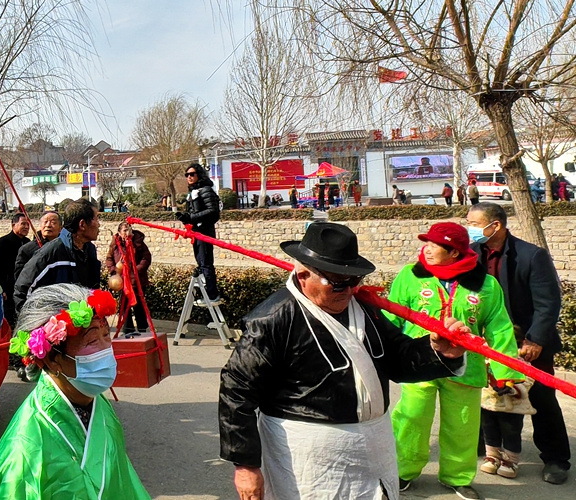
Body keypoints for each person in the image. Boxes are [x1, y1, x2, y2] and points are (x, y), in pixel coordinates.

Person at [218, 222, 469, 500]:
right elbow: (236, 393)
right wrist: (246, 465)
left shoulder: (365, 309)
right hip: (308, 460)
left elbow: (397, 358)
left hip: (374, 448)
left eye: (354, 280)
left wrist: (438, 351)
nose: (349, 290)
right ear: (303, 275)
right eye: (338, 282)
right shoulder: (272, 319)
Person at [385, 222, 523, 498]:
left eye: (435, 245)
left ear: (455, 253)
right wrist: (382, 355)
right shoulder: (410, 276)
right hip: (419, 363)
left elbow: (498, 327)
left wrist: (505, 369)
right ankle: (402, 471)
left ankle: (457, 476)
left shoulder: (485, 284)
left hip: (465, 366)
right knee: (411, 419)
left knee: (463, 424)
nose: (427, 249)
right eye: (428, 243)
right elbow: (391, 318)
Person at [0, 284, 150, 499]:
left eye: (106, 335)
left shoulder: (96, 402)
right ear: (52, 359)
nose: (106, 348)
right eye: (91, 341)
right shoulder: (24, 450)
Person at [467, 202, 570, 484]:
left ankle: (556, 459)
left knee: (541, 400)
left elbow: (548, 303)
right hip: (484, 342)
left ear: (495, 225)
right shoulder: (471, 254)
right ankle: (487, 449)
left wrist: (536, 339)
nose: (470, 229)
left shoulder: (530, 255)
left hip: (526, 343)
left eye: (474, 223)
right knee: (485, 397)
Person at [14, 199, 101, 317]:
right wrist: (35, 325)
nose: (99, 224)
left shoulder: (89, 250)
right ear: (82, 225)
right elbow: (22, 290)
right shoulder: (51, 253)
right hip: (56, 328)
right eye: (96, 218)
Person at [13, 210, 62, 382]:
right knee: (36, 340)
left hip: (57, 301)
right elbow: (20, 278)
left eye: (53, 222)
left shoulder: (64, 249)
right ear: (40, 226)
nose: (48, 225)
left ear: (61, 227)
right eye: (45, 222)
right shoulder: (27, 250)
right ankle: (30, 365)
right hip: (37, 303)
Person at [177, 163, 221, 303]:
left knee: (206, 264)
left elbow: (213, 212)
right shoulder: (192, 193)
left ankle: (212, 296)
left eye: (192, 174)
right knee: (201, 263)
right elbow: (193, 213)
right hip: (196, 232)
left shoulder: (206, 190)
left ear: (199, 175)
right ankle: (207, 295)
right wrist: (185, 218)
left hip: (205, 232)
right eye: (187, 175)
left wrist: (192, 218)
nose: (189, 177)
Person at [104, 222, 152, 337]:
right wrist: (114, 271)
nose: (127, 233)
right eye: (124, 230)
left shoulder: (138, 242)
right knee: (124, 305)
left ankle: (142, 327)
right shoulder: (115, 244)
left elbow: (146, 257)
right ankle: (128, 328)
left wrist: (136, 270)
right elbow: (109, 258)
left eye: (129, 230)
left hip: (136, 279)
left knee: (138, 304)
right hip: (121, 280)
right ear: (119, 233)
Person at [0, 213, 30, 329]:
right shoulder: (2, 243)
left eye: (28, 224)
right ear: (13, 225)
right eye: (23, 224)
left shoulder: (28, 243)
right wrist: (0, 288)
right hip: (7, 289)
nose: (26, 227)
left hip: (22, 288)